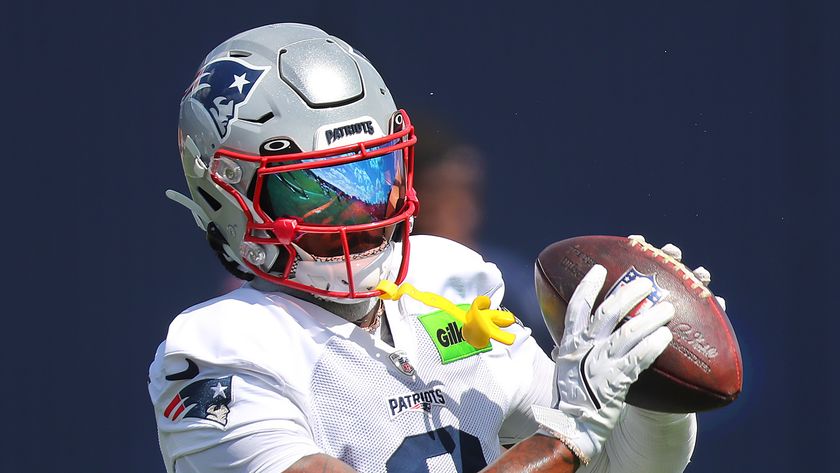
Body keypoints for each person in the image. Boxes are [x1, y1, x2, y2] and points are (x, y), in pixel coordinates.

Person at [149, 23, 697, 473]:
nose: (363, 211)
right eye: (318, 190)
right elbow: (573, 436)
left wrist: (655, 386)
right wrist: (567, 435)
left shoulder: (448, 284)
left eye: (372, 173)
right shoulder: (218, 355)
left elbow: (621, 467)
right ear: (225, 190)